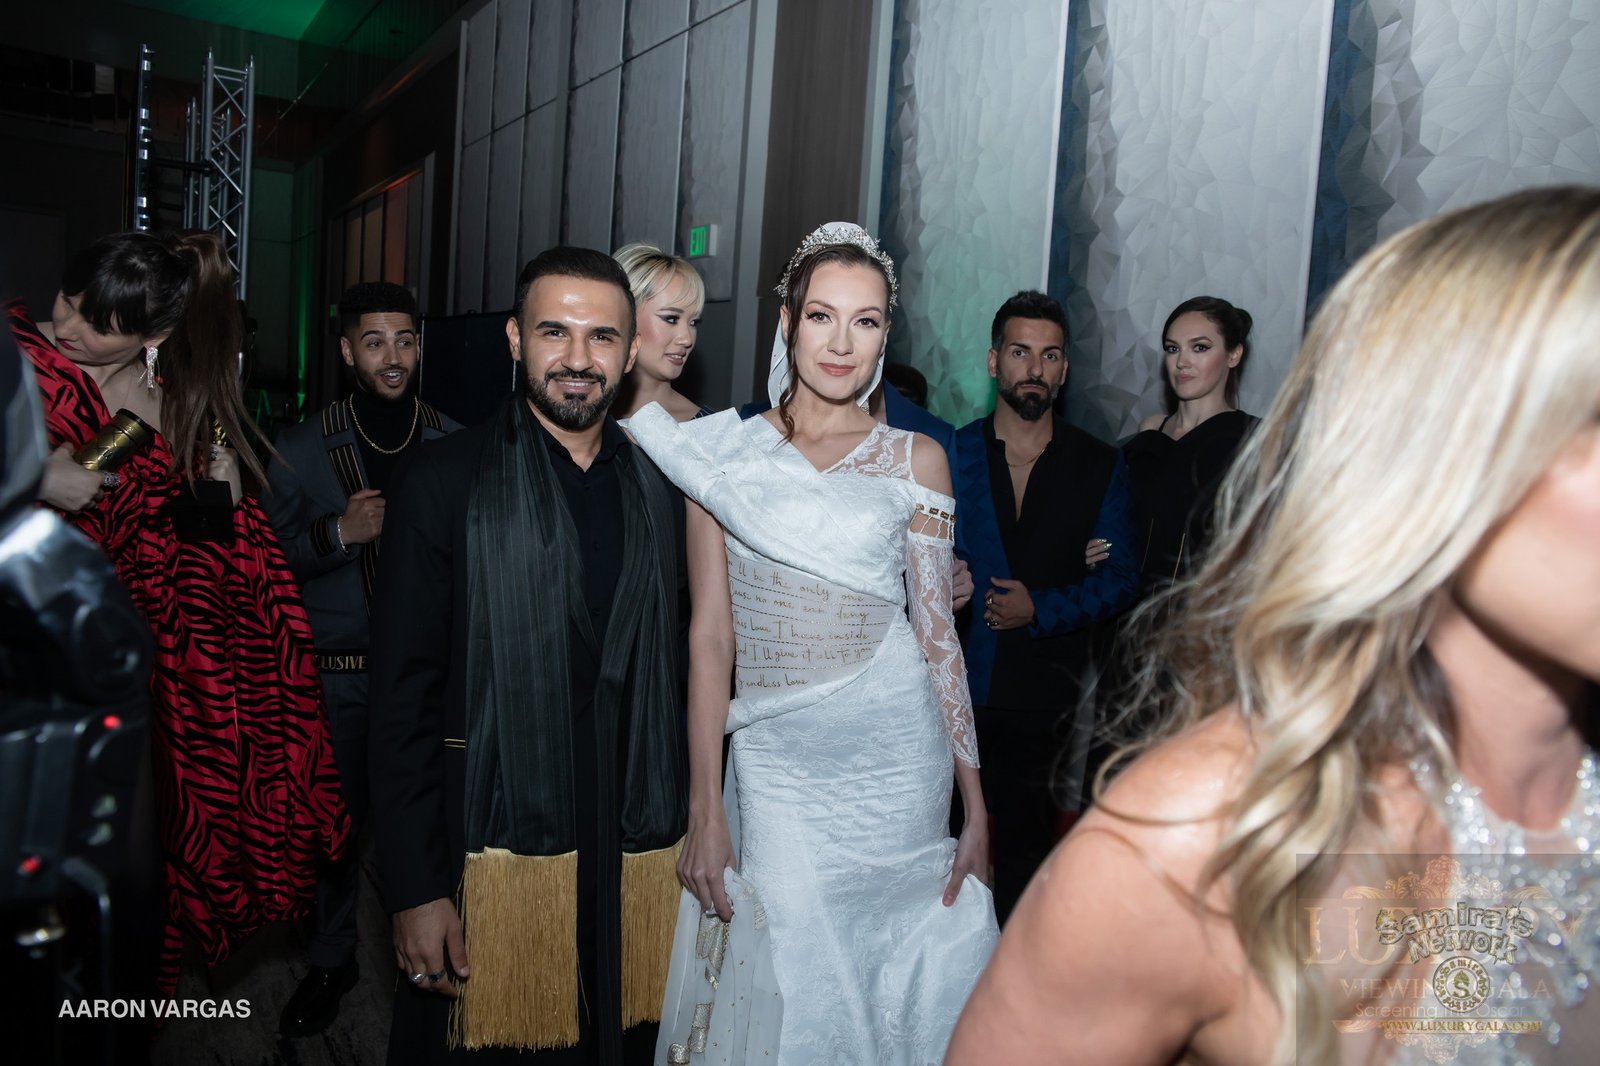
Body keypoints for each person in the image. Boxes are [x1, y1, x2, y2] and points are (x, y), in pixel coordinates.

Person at [947, 186, 1600, 1066]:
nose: (1183, 362)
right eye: (1586, 419)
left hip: (1101, 672)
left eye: (1201, 347)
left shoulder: (1133, 457)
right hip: (1064, 678)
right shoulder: (1187, 832)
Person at [628, 221, 998, 1065]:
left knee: (894, 968)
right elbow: (710, 635)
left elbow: (938, 639)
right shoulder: (718, 454)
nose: (841, 342)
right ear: (788, 322)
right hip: (778, 766)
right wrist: (705, 807)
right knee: (789, 974)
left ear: (885, 335)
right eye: (823, 316)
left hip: (898, 761)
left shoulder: (918, 459)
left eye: (865, 321)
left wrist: (975, 808)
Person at [6, 230, 350, 996]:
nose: (67, 327)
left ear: (155, 335)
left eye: (99, 323)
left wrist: (222, 503)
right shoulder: (17, 370)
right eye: (68, 301)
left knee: (121, 894)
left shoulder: (170, 414)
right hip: (23, 667)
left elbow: (213, 571)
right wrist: (32, 477)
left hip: (129, 683)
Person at [368, 246, 687, 1064]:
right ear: (515, 339)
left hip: (629, 843)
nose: (578, 359)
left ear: (629, 350)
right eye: (555, 332)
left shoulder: (662, 489)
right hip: (485, 847)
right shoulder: (443, 482)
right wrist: (415, 889)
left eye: (602, 337)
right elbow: (400, 699)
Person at [265, 281, 459, 1037]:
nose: (392, 356)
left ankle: (449, 951)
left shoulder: (453, 440)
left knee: (437, 824)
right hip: (340, 680)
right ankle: (330, 959)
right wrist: (336, 535)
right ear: (347, 352)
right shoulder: (300, 449)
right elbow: (263, 565)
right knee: (333, 837)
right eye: (374, 342)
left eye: (404, 339)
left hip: (432, 680)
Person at [950, 289, 1139, 923]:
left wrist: (1042, 608)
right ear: (993, 361)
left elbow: (1121, 580)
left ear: (1064, 370)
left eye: (1050, 355)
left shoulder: (1099, 464)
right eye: (1020, 352)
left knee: (1026, 866)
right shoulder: (950, 453)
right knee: (942, 856)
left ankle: (1015, 975)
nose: (1034, 368)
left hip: (1045, 700)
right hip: (951, 690)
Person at [1123, 295, 1258, 592]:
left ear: (1234, 355)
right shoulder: (1150, 431)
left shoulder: (1253, 438)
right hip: (1128, 604)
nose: (1182, 362)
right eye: (1173, 349)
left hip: (1200, 607)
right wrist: (1100, 546)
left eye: (1200, 348)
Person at [610, 242, 709, 421]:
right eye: (671, 319)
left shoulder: (709, 428)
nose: (687, 339)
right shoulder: (580, 412)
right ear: (625, 316)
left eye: (693, 322)